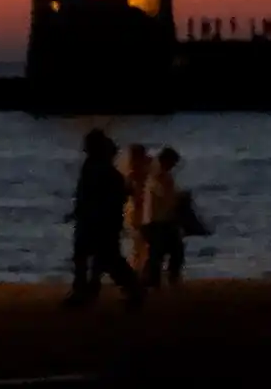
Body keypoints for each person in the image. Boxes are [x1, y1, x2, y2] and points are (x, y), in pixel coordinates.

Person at [64, 129, 142, 308]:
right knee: (97, 258)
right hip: (96, 220)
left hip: (100, 222)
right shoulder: (97, 168)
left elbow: (100, 196)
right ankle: (86, 291)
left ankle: (131, 289)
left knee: (106, 259)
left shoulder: (99, 169)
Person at [142, 147, 185, 288]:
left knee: (162, 252)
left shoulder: (160, 174)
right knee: (162, 252)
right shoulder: (158, 176)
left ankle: (158, 279)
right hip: (155, 222)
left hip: (159, 221)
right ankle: (158, 280)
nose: (173, 166)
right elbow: (165, 197)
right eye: (172, 163)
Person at [121, 144, 152, 273]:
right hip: (137, 213)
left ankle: (139, 269)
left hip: (139, 212)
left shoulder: (137, 172)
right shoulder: (135, 173)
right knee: (141, 244)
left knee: (141, 244)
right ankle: (139, 269)